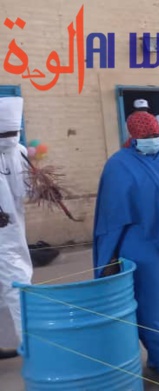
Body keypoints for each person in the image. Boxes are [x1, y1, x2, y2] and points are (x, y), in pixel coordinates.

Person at [94, 111, 159, 391]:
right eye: (147, 137)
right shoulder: (119, 166)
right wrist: (110, 257)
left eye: (156, 135)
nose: (153, 140)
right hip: (141, 251)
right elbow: (111, 216)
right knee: (155, 311)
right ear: (133, 137)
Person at [0, 97, 32, 360]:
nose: (10, 139)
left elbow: (28, 190)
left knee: (12, 287)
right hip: (4, 238)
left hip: (13, 231)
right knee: (17, 284)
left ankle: (15, 343)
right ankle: (31, 347)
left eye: (14, 133)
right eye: (6, 134)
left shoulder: (18, 151)